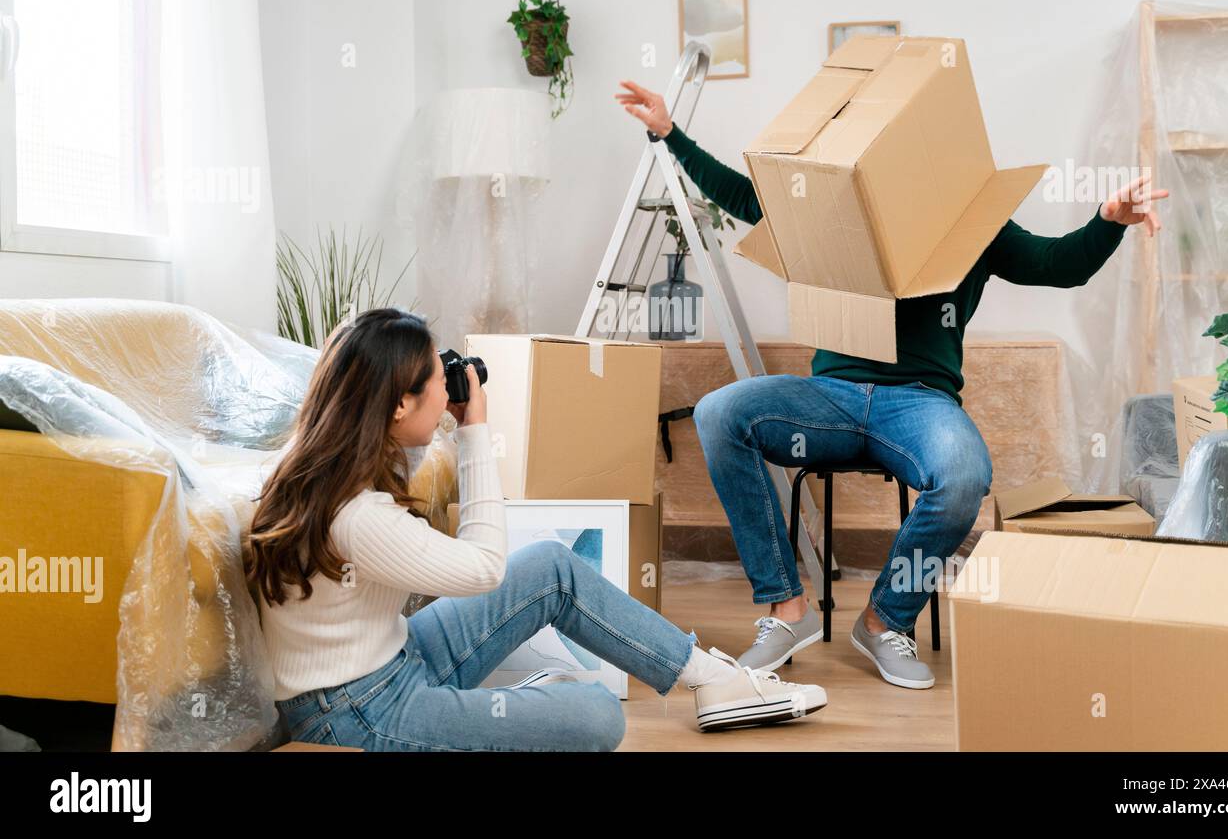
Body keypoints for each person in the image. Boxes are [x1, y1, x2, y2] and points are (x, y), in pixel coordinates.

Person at [616, 78, 1169, 691]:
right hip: (830, 397)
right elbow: (750, 200)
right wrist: (671, 135)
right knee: (721, 411)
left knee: (963, 474)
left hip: (920, 405)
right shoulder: (840, 208)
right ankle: (785, 608)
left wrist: (1108, 220)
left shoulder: (975, 221)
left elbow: (1055, 265)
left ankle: (884, 620)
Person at [245, 308, 826, 751]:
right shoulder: (360, 517)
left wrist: (442, 409)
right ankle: (518, 706)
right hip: (361, 711)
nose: (447, 390)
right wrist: (475, 430)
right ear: (397, 404)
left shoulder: (315, 462)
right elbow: (484, 567)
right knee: (600, 717)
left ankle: (713, 679)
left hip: (388, 660)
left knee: (550, 565)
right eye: (434, 380)